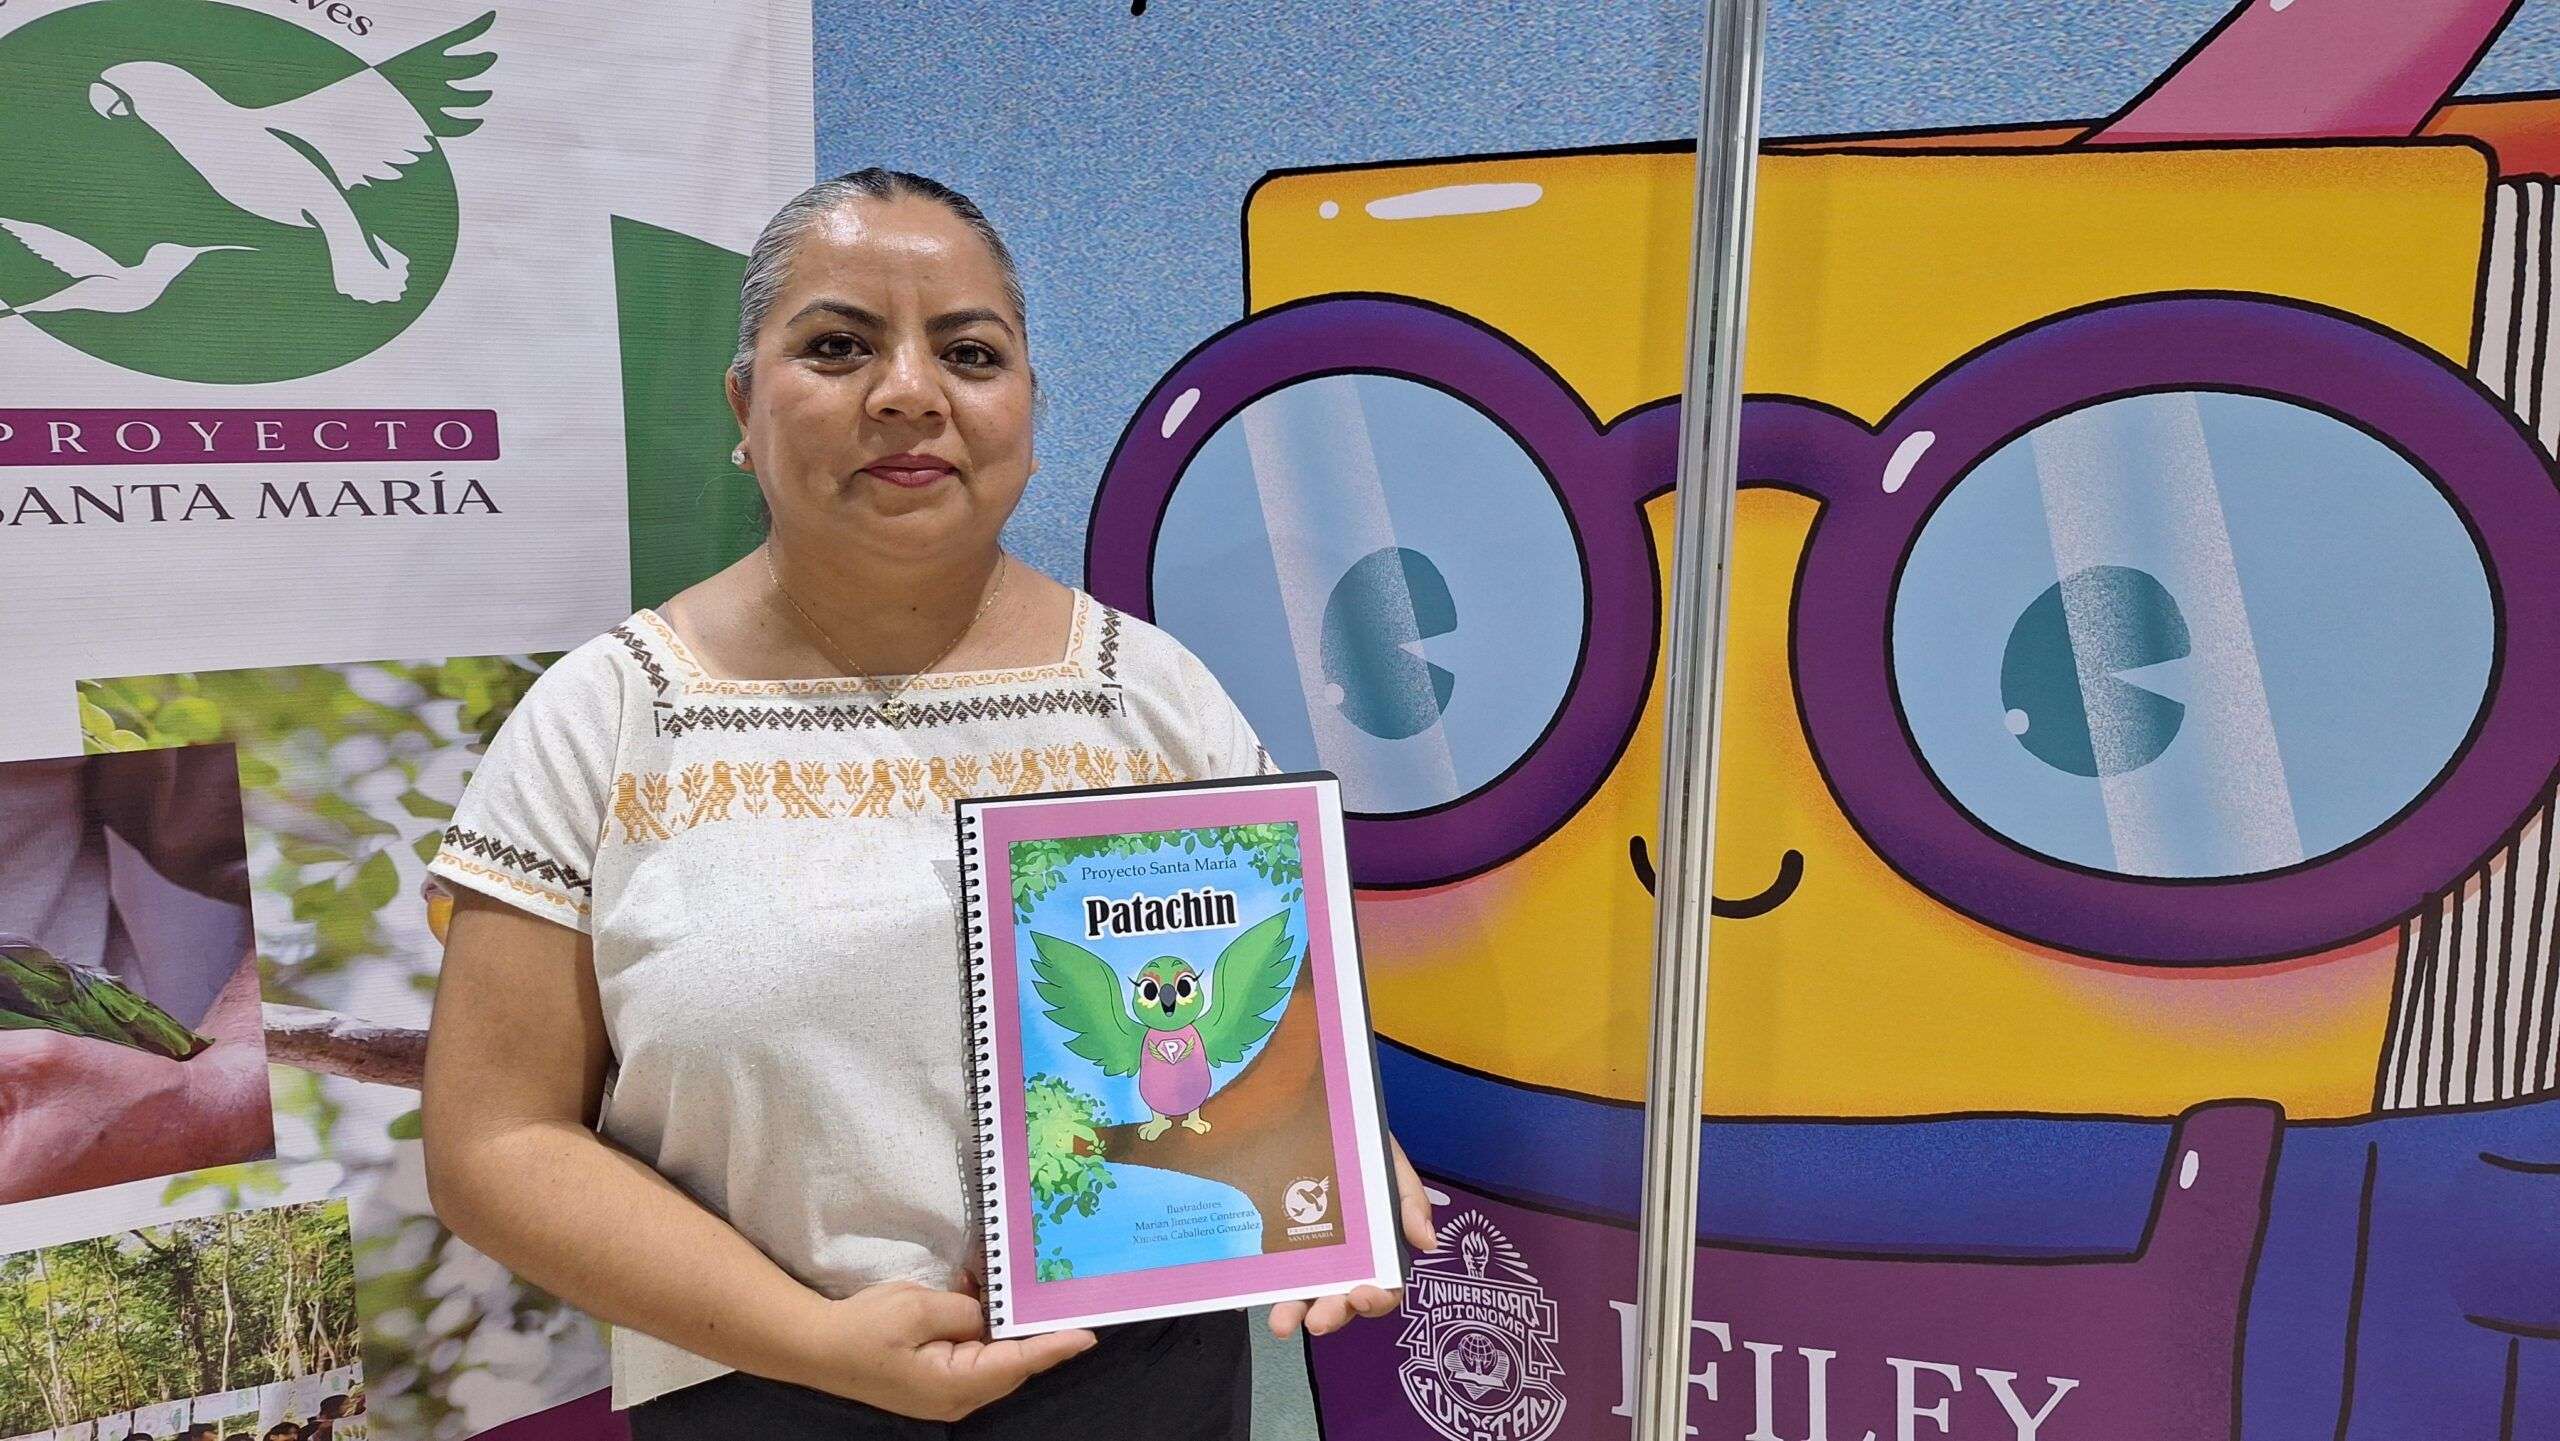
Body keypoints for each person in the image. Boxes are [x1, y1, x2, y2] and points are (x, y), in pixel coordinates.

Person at [420, 168, 1434, 1438]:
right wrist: (811, 1339)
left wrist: (1331, 1154)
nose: (909, 392)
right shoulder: (607, 718)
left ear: (1027, 407)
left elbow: (1262, 1018)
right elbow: (496, 1144)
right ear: (742, 405)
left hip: (1145, 1394)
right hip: (765, 1396)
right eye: (838, 346)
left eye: (969, 352)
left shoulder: (1152, 696)